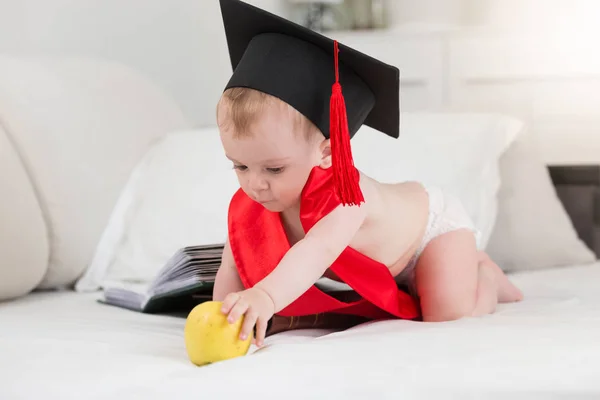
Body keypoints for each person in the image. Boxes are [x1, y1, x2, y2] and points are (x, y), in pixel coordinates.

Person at [212, 0, 523, 347]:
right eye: (239, 166)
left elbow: (317, 250)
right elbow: (233, 264)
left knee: (446, 314)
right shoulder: (260, 195)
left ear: (327, 152)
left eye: (274, 168)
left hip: (429, 235)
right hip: (385, 265)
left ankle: (486, 278)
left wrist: (266, 297)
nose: (254, 183)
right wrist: (221, 318)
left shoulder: (347, 198)